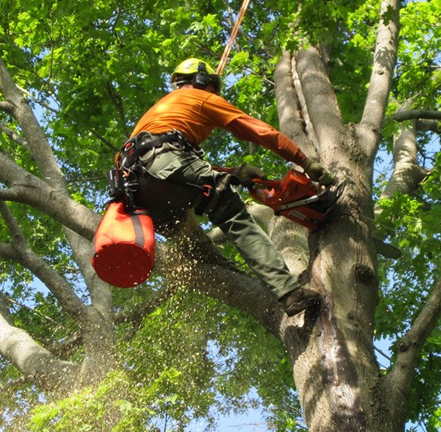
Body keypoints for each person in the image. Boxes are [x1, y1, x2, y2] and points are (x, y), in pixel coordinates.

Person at [120, 58, 334, 317]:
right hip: (167, 163)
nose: (215, 94)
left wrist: (235, 174)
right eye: (214, 88)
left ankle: (216, 265)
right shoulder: (200, 97)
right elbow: (258, 131)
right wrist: (304, 161)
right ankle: (289, 293)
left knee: (194, 232)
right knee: (231, 212)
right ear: (202, 82)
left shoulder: (159, 113)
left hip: (137, 190)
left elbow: (181, 170)